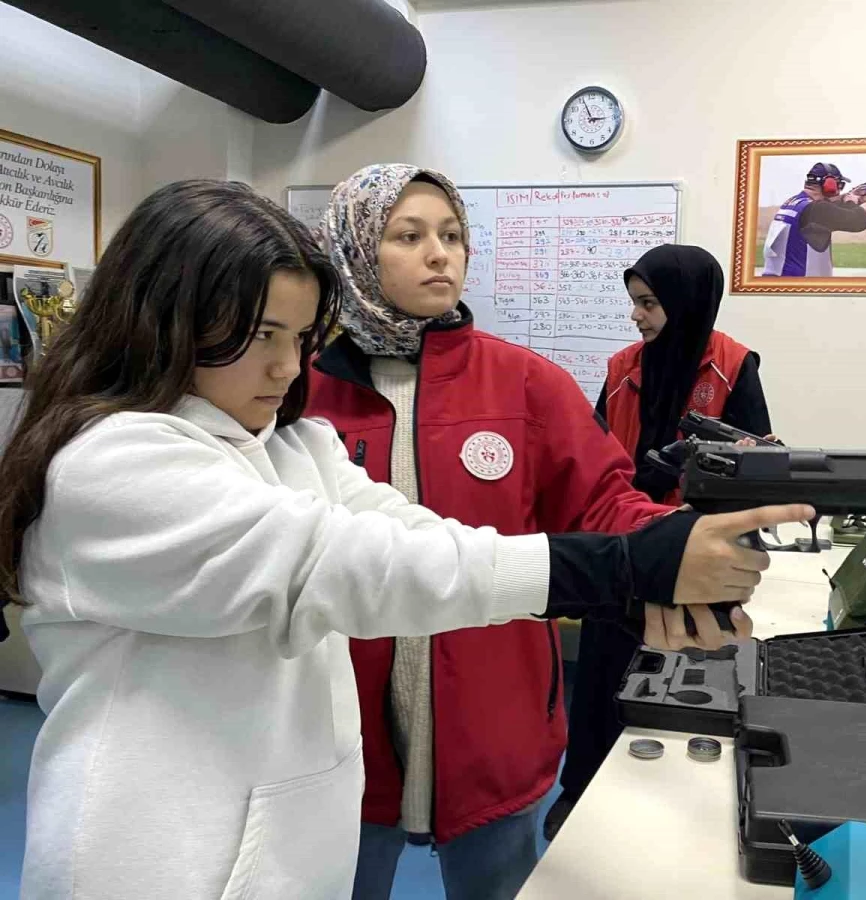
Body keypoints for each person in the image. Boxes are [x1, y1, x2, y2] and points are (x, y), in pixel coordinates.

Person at [0, 179, 810, 900]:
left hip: (297, 832)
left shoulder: (292, 444)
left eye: (297, 337)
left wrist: (645, 573)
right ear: (162, 320)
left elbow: (417, 532)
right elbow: (344, 565)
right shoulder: (112, 461)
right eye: (259, 336)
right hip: (156, 857)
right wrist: (625, 566)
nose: (285, 369)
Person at [309, 164, 728, 900]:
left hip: (496, 728)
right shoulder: (299, 391)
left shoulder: (524, 382)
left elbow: (604, 501)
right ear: (352, 250)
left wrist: (677, 544)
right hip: (337, 739)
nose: (441, 254)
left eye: (452, 235)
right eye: (409, 237)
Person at [546, 243, 773, 839]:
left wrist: (689, 474)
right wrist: (642, 477)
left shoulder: (732, 364)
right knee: (596, 687)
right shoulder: (624, 367)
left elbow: (757, 469)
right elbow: (595, 460)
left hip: (693, 561)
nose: (637, 316)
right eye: (634, 303)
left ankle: (668, 821)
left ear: (683, 301)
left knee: (683, 699)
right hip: (620, 554)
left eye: (648, 304)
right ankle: (577, 798)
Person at [761, 162, 866, 277]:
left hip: (777, 281)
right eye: (840, 185)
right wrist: (851, 201)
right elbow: (860, 221)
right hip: (800, 286)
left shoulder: (793, 203)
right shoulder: (816, 209)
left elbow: (829, 214)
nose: (839, 190)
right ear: (830, 184)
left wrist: (856, 201)